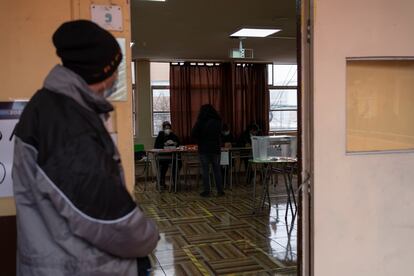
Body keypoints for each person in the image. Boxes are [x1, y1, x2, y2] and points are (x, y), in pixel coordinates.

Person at [12, 20, 159, 276]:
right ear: (101, 72)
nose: (116, 77)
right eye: (116, 68)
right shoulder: (66, 125)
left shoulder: (54, 108)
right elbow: (108, 218)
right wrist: (148, 237)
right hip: (77, 266)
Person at [192, 104, 225, 197]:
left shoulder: (200, 122)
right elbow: (220, 134)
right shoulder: (218, 121)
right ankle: (220, 190)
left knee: (205, 171)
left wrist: (200, 138)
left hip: (204, 149)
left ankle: (207, 191)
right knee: (217, 170)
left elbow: (193, 134)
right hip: (215, 149)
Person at [154, 121, 181, 189]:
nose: (167, 130)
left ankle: (175, 182)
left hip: (172, 156)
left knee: (178, 163)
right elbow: (156, 146)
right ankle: (162, 182)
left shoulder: (173, 135)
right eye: (166, 128)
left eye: (168, 128)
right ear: (163, 129)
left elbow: (178, 143)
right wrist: (164, 144)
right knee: (163, 165)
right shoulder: (160, 135)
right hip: (163, 156)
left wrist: (175, 143)